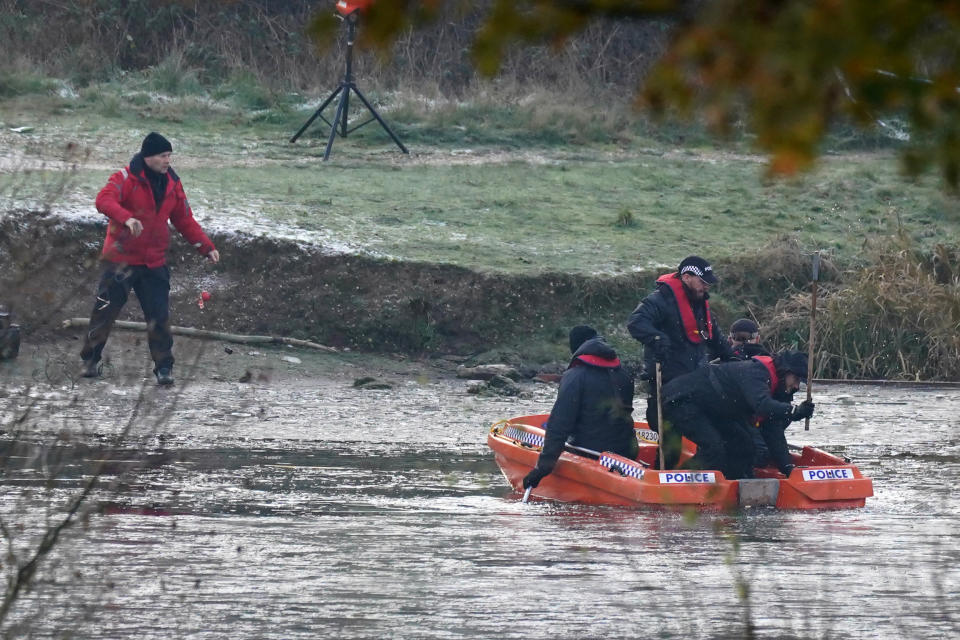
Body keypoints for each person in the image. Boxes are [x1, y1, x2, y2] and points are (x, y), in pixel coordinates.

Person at [80, 132, 220, 385]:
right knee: (104, 312)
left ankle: (164, 368)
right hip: (120, 260)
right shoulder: (124, 178)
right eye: (163, 156)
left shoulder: (173, 184)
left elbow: (184, 219)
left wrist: (206, 246)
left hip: (154, 262)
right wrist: (127, 218)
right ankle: (90, 360)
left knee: (159, 316)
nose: (168, 161)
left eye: (169, 156)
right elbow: (103, 200)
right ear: (148, 157)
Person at [627, 255, 736, 441]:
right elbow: (636, 322)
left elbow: (713, 335)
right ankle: (667, 466)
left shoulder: (700, 301)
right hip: (667, 380)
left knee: (709, 435)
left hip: (696, 380)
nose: (707, 286)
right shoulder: (659, 300)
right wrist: (657, 338)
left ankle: (709, 464)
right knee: (671, 440)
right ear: (686, 277)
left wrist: (732, 358)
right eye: (702, 282)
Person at [660, 349, 815, 479]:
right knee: (714, 448)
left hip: (714, 409)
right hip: (681, 400)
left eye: (800, 382)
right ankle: (678, 484)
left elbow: (773, 430)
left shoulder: (780, 390)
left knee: (745, 447)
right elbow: (762, 405)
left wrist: (788, 468)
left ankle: (734, 483)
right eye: (795, 379)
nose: (796, 386)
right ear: (785, 372)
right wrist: (793, 412)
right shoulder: (756, 372)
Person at [522, 326, 636, 490]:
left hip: (591, 453)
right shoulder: (624, 373)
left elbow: (559, 425)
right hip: (627, 452)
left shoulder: (575, 376)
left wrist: (541, 469)